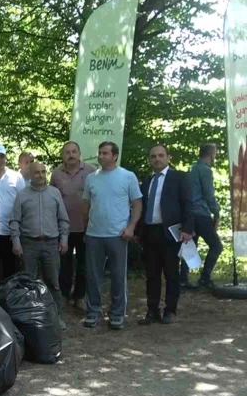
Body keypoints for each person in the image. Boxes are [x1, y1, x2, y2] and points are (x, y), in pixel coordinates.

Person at [83, 142, 142, 330]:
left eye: (105, 153)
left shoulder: (127, 176)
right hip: (94, 234)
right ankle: (93, 312)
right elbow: (86, 206)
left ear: (115, 156)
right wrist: (85, 230)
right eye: (100, 153)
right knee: (93, 276)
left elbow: (137, 204)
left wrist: (131, 227)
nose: (101, 156)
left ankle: (117, 314)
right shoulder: (91, 178)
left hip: (118, 235)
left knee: (118, 276)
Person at [137, 145, 193, 325]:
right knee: (152, 275)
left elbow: (188, 203)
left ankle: (170, 311)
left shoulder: (179, 177)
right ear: (149, 159)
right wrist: (138, 231)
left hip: (170, 232)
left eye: (161, 155)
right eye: (153, 156)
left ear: (168, 157)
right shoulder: (147, 181)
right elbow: (141, 207)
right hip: (149, 232)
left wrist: (187, 229)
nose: (157, 159)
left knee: (171, 274)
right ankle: (152, 311)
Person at [10, 162, 70, 329]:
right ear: (30, 174)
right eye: (37, 172)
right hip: (29, 244)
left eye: (43, 172)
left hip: (51, 244)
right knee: (28, 283)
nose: (41, 175)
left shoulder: (54, 193)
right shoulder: (22, 195)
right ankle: (30, 319)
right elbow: (14, 220)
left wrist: (64, 239)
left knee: (53, 282)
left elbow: (63, 219)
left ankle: (56, 318)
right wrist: (16, 242)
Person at [50, 141, 96, 308]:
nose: (71, 155)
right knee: (64, 264)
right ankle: (64, 294)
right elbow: (51, 198)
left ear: (79, 153)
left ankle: (80, 296)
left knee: (84, 264)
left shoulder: (91, 171)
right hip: (64, 228)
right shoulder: (56, 174)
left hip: (86, 226)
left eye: (74, 151)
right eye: (67, 152)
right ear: (63, 155)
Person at [181, 143, 223, 290]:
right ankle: (204, 278)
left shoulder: (191, 169)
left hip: (189, 214)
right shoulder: (205, 170)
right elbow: (209, 194)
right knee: (216, 246)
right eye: (215, 153)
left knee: (190, 247)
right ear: (212, 154)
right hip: (201, 214)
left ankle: (183, 280)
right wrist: (216, 212)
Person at [0, 144, 26, 289]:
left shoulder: (16, 177)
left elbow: (23, 202)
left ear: (6, 158)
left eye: (1, 156)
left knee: (11, 270)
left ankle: (11, 298)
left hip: (11, 233)